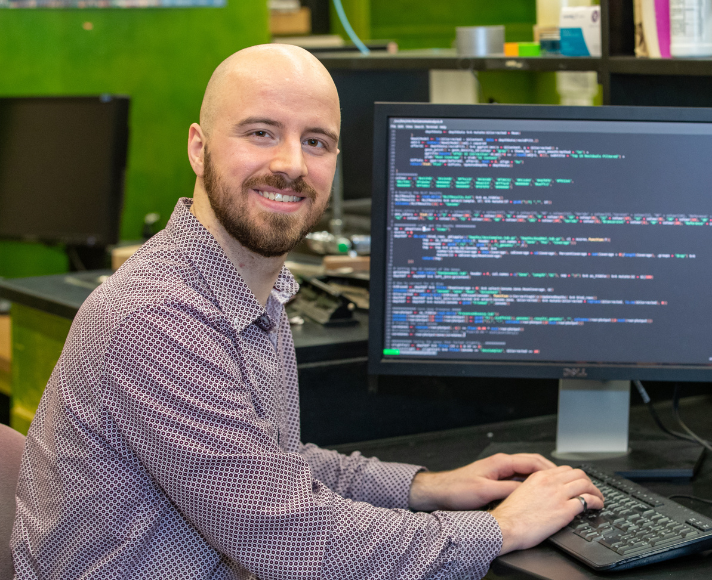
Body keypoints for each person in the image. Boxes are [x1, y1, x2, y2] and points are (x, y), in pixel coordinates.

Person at [11, 44, 603, 579]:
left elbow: (270, 465)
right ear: (199, 147)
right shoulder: (156, 317)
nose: (292, 163)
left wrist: (429, 487)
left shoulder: (251, 290)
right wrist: (500, 529)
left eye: (315, 141)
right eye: (261, 133)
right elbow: (289, 537)